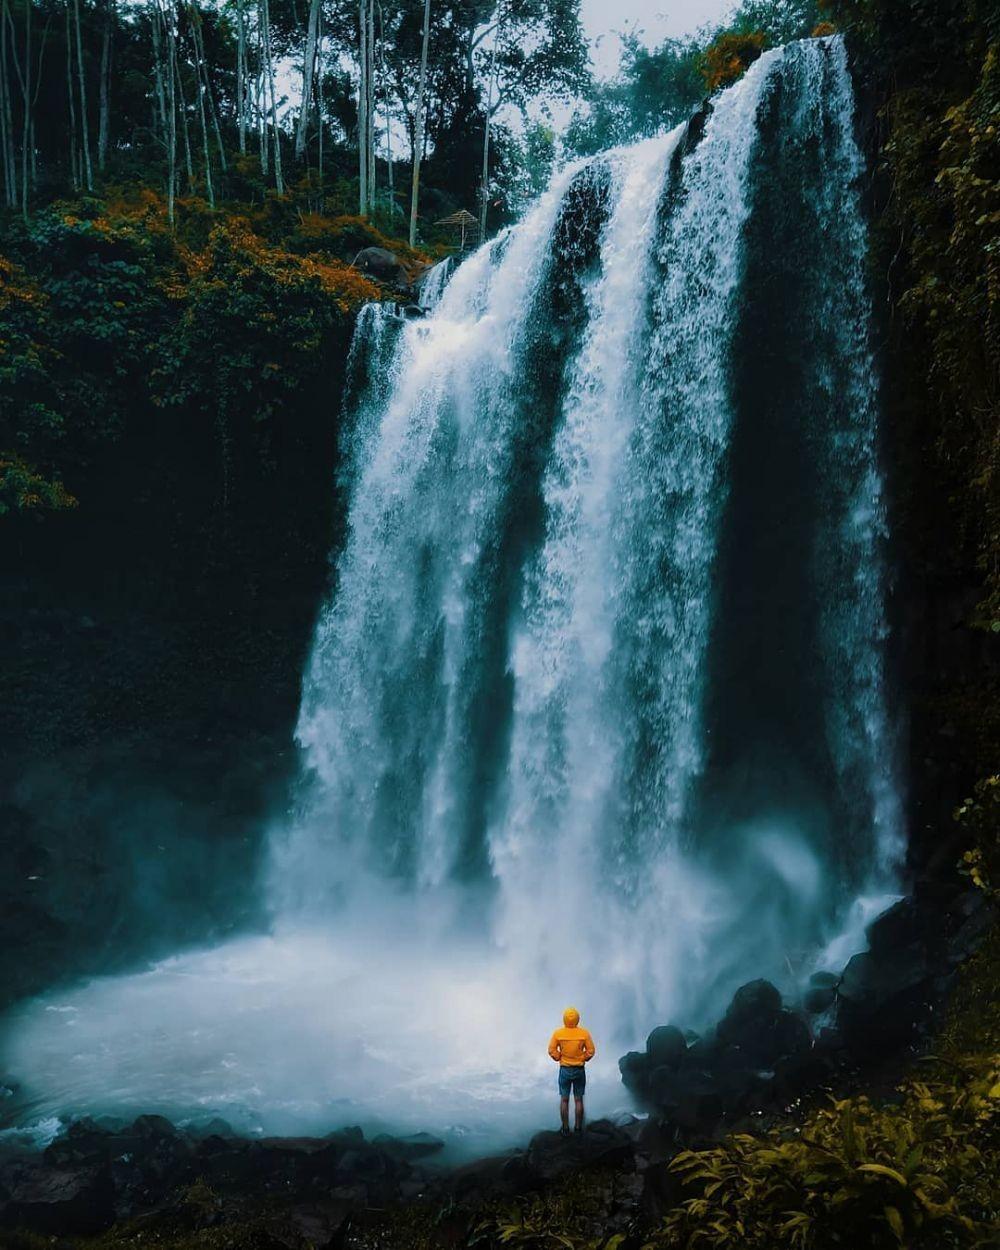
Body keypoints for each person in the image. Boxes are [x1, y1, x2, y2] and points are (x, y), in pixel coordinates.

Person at [547, 1006, 595, 1135]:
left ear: (564, 1019)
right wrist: (582, 1058)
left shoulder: (558, 1033)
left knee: (564, 1100)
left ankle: (565, 1128)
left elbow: (551, 1050)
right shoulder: (584, 1033)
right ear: (578, 1019)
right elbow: (591, 1051)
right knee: (578, 1100)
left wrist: (558, 1057)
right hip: (579, 1069)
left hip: (564, 1069)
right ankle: (578, 1128)